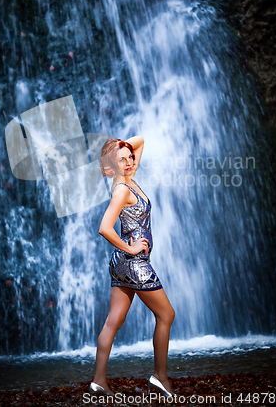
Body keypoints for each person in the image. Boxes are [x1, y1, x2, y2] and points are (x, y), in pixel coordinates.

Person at [89, 136, 175, 398]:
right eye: (122, 160)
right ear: (111, 166)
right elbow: (104, 227)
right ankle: (160, 377)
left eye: (130, 158)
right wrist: (131, 248)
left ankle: (98, 382)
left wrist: (121, 147)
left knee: (113, 322)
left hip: (120, 264)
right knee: (166, 315)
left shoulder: (129, 176)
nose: (129, 162)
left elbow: (140, 141)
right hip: (133, 263)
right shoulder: (122, 189)